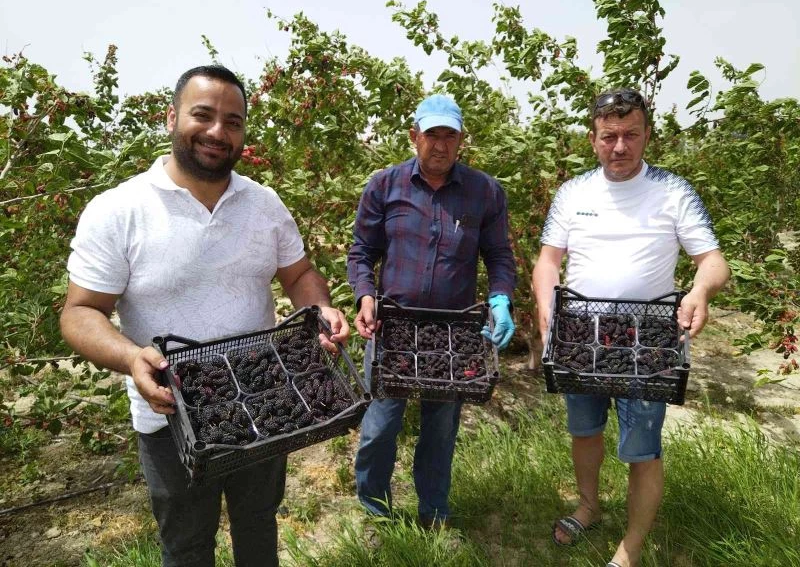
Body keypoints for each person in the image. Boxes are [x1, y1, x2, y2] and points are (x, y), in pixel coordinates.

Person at [59, 64, 350, 567]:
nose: (218, 131)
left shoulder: (264, 204)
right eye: (203, 115)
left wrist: (320, 307)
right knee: (188, 546)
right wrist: (132, 359)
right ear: (171, 117)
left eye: (233, 121)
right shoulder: (118, 210)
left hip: (263, 405)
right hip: (171, 416)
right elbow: (81, 312)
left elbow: (300, 273)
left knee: (258, 527)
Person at [532, 88, 730, 567]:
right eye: (609, 136)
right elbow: (548, 261)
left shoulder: (673, 191)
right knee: (584, 430)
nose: (619, 146)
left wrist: (700, 291)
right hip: (581, 332)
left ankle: (631, 548)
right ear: (592, 138)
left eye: (630, 135)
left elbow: (713, 261)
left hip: (647, 338)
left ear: (646, 136)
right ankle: (589, 506)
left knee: (642, 447)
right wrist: (547, 314)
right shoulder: (573, 192)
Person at [347, 94, 517, 528]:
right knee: (380, 426)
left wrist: (500, 298)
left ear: (461, 140)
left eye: (450, 136)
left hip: (453, 332)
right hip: (395, 327)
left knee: (441, 427)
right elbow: (362, 252)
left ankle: (434, 512)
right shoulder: (385, 186)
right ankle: (375, 512)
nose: (440, 145)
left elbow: (499, 256)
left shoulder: (484, 192)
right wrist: (366, 296)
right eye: (431, 135)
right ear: (413, 137)